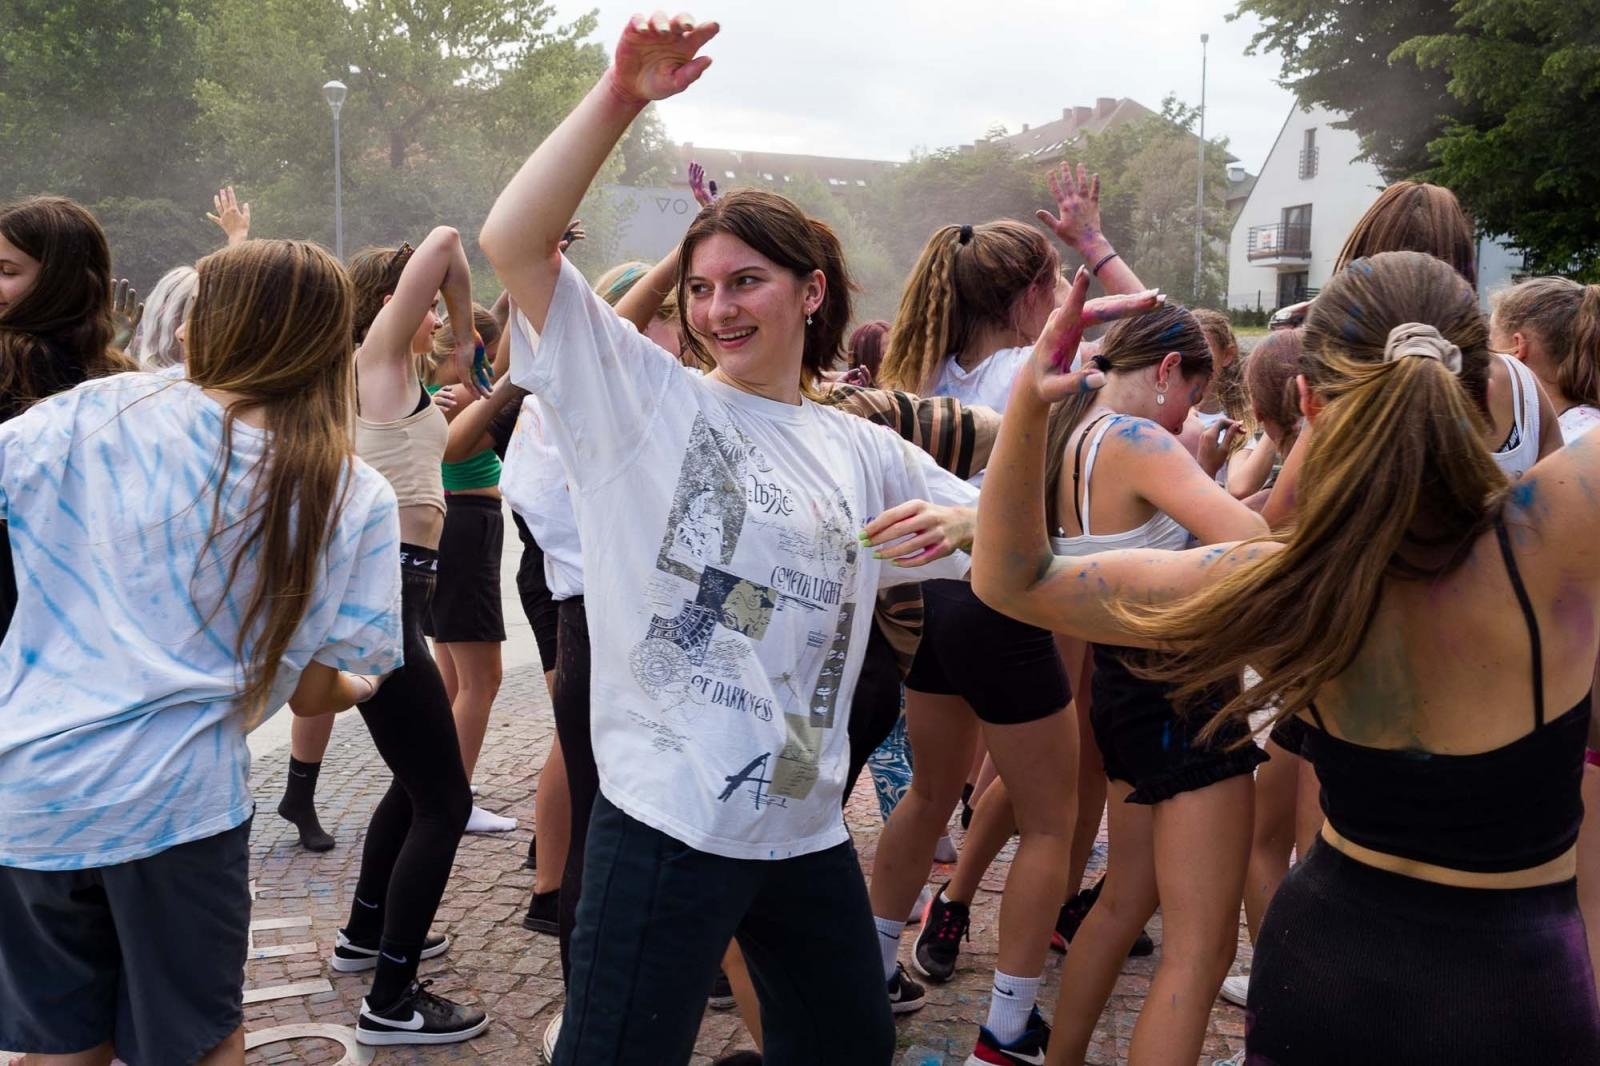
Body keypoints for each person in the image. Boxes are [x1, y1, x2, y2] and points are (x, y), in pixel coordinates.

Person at [480, 15, 982, 1064]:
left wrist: (973, 516)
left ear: (810, 292)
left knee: (846, 1049)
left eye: (745, 281)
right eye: (701, 287)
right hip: (668, 818)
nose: (717, 308)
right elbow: (514, 243)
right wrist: (620, 97)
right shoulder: (640, 401)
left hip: (799, 822)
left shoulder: (856, 448)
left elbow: (1011, 543)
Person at [977, 249, 1600, 1063]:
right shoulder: (1562, 527)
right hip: (1515, 989)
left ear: (1307, 400)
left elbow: (1015, 579)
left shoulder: (1284, 579)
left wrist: (1031, 399)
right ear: (1486, 387)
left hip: (1324, 976)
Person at [0, 237, 403, 1066]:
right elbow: (316, 694)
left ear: (199, 326)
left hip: (29, 797)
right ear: (335, 340)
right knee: (196, 1045)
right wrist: (362, 686)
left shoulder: (89, 414)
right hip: (174, 813)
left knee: (58, 1047)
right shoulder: (348, 488)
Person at [870, 163, 1140, 1063]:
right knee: (1053, 822)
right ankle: (1011, 1024)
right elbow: (1152, 328)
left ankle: (874, 976)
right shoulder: (1042, 365)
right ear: (1033, 297)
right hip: (1005, 602)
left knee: (930, 795)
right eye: (1057, 285)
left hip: (930, 600)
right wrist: (1095, 249)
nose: (1068, 297)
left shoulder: (926, 367)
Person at [315, 228, 488, 1046]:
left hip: (400, 598)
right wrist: (462, 321)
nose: (438, 325)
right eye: (424, 311)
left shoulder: (400, 389)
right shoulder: (376, 364)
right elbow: (447, 240)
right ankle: (392, 999)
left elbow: (429, 466)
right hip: (386, 603)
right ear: (397, 307)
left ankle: (364, 934)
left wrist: (487, 381)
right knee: (445, 802)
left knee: (416, 785)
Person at [0, 196, 136, 642]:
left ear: (60, 280)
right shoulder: (122, 378)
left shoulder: (12, 361)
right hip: (91, 615)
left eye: (8, 272)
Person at [425, 305, 518, 834]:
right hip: (468, 524)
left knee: (453, 670)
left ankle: (440, 777)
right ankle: (452, 798)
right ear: (474, 346)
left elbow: (495, 320)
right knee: (483, 677)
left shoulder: (435, 381)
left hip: (450, 517)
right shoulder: (467, 392)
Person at [1491, 277, 1600, 444]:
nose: (1487, 355)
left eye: (1490, 342)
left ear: (1517, 347)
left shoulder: (1564, 447)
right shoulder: (1584, 430)